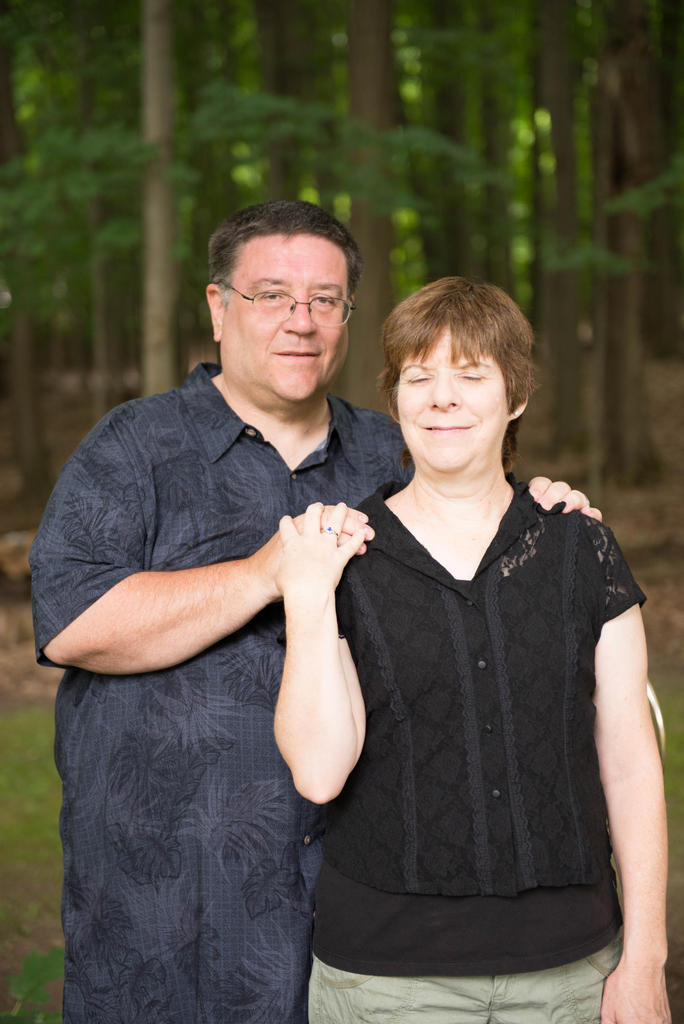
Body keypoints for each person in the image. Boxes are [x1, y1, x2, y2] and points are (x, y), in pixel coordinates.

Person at [30, 201, 597, 1024]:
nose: (301, 320)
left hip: (364, 907)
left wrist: (544, 512)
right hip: (167, 903)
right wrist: (265, 573)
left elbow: (490, 572)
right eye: (272, 295)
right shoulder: (134, 448)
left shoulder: (393, 454)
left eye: (325, 300)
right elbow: (73, 623)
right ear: (219, 307)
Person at [274, 276, 670, 1024]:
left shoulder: (581, 549)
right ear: (396, 398)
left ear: (515, 395)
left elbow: (629, 763)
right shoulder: (344, 557)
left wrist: (646, 957)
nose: (442, 399)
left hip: (572, 972)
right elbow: (320, 773)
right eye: (419, 377)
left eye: (470, 375)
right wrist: (306, 593)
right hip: (387, 982)